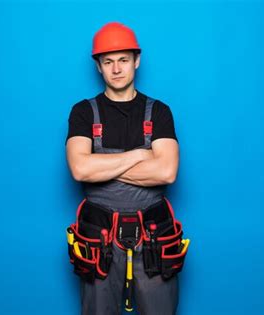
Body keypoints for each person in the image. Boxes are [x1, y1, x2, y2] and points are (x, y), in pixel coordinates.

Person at [65, 22, 188, 315]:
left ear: (137, 61)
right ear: (98, 66)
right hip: (99, 238)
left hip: (154, 238)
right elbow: (80, 169)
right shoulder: (83, 112)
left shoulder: (159, 111)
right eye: (108, 62)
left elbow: (167, 172)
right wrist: (140, 155)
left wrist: (102, 167)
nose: (116, 69)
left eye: (123, 60)